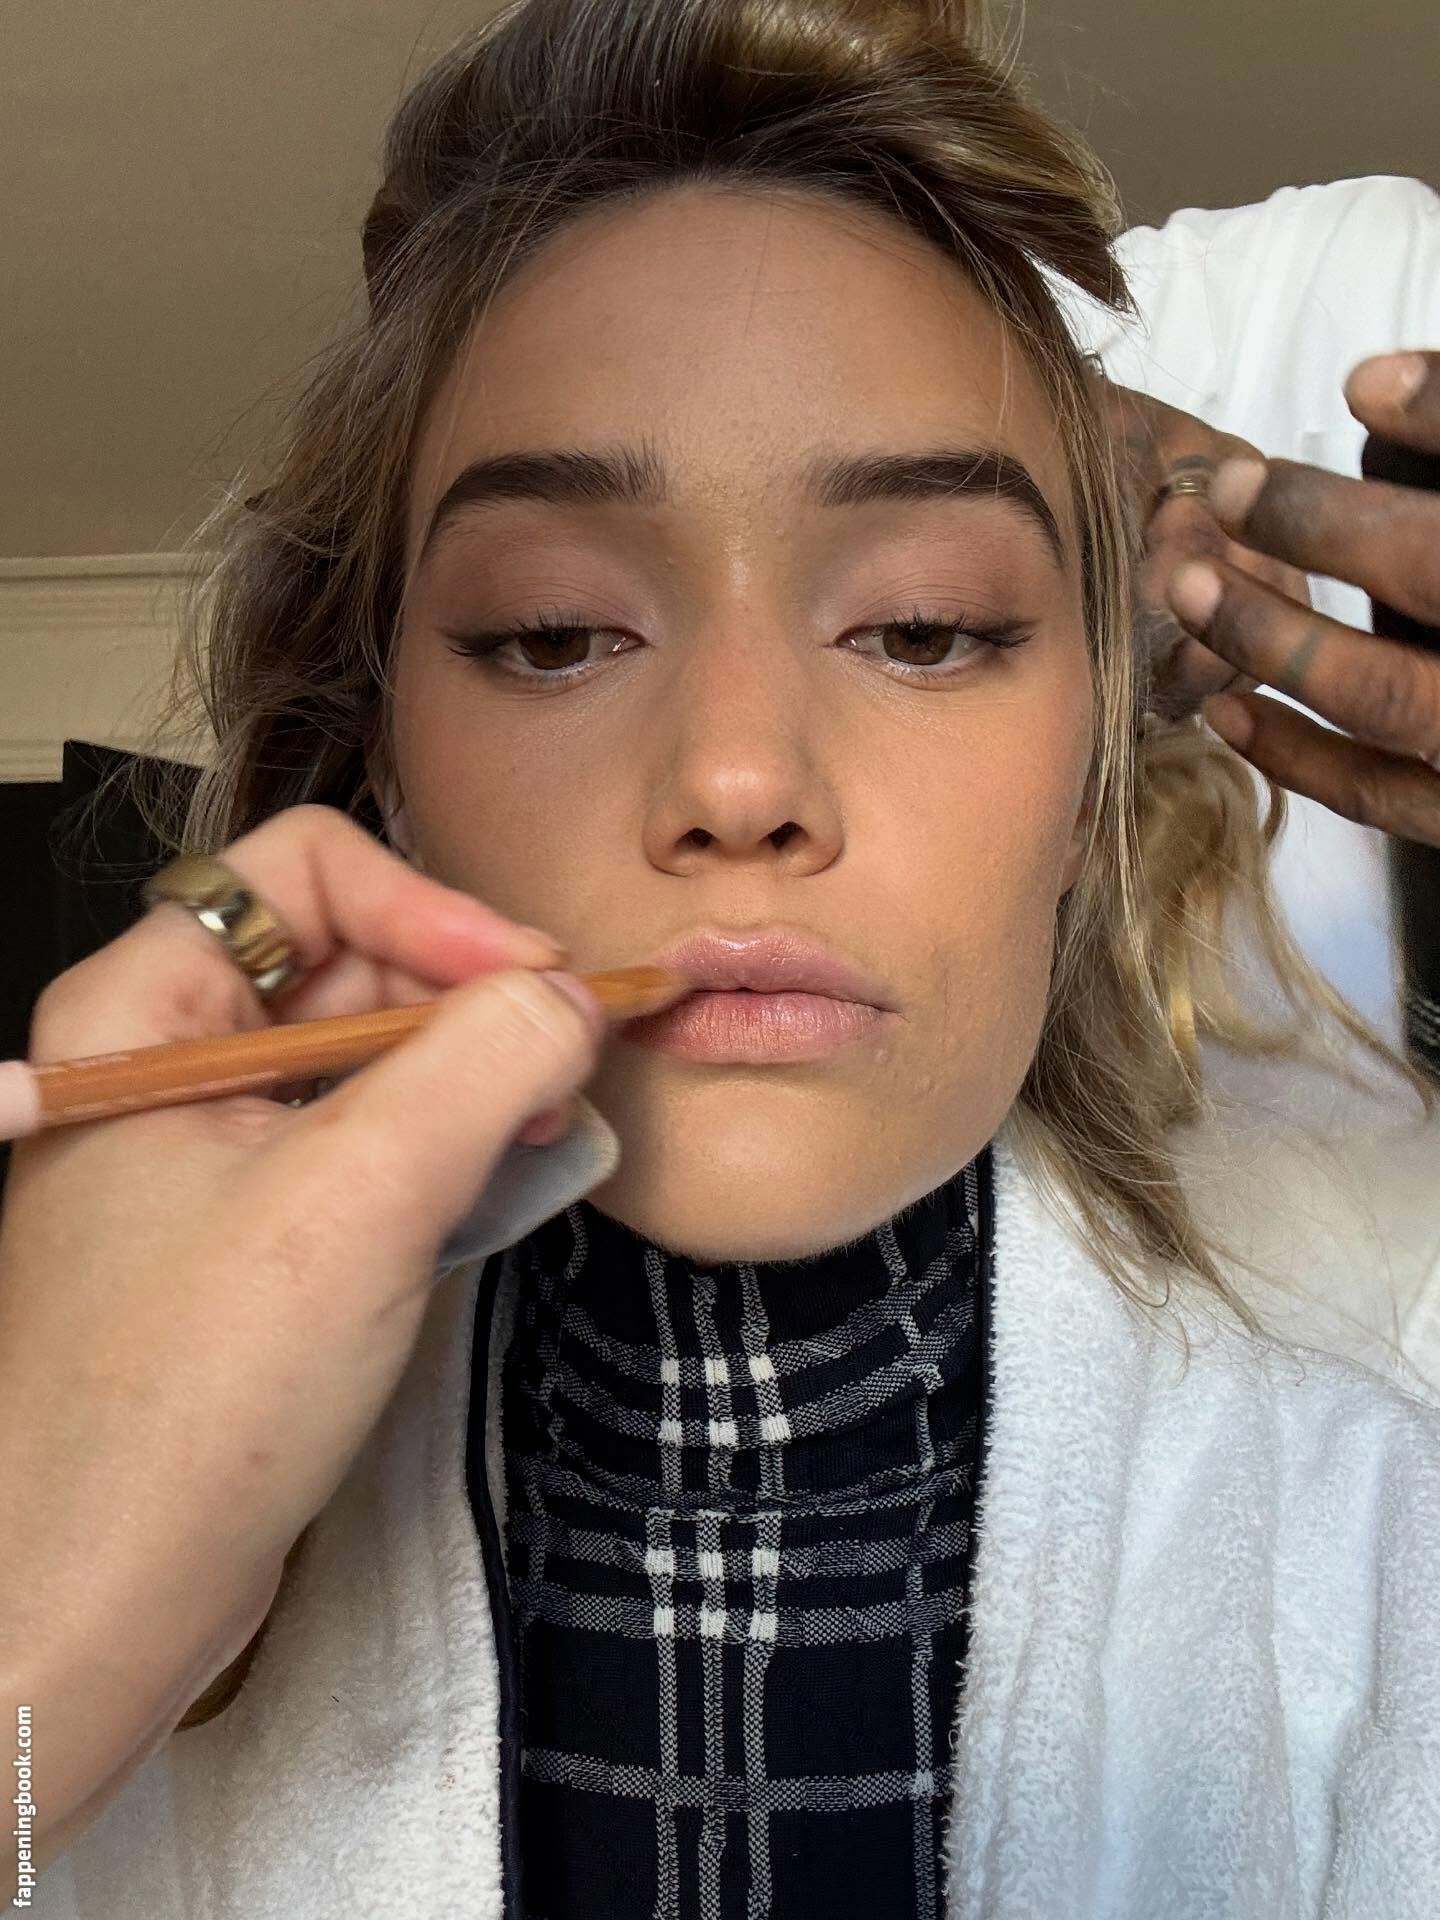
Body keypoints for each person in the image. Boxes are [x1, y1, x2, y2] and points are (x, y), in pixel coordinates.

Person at [4, 2, 1440, 1916]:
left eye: (924, 627)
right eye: (552, 634)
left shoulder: (1391, 1570)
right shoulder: (58, 1499)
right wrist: (43, 1644)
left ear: (1091, 775)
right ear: (389, 770)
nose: (740, 779)